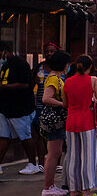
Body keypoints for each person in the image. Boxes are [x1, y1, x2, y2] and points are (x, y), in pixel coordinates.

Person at [63, 55, 97, 196]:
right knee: (88, 157)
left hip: (71, 122)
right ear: (90, 67)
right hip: (87, 122)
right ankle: (87, 191)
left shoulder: (67, 81)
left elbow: (65, 104)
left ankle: (73, 191)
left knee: (73, 157)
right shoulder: (93, 80)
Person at [0, 44, 38, 175]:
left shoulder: (20, 64)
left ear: (6, 51)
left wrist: (4, 87)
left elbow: (24, 84)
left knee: (25, 136)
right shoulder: (5, 65)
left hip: (19, 108)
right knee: (3, 136)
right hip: (5, 108)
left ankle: (33, 163)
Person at [39, 51, 71, 196]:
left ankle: (50, 185)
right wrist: (62, 104)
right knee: (53, 154)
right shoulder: (53, 79)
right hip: (54, 120)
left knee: (55, 153)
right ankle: (48, 187)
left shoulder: (57, 78)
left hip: (55, 120)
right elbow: (46, 98)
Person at [29, 41, 62, 175]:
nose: (49, 54)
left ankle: (57, 163)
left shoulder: (63, 68)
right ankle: (41, 163)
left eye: (52, 51)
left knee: (56, 137)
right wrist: (34, 81)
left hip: (57, 107)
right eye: (47, 51)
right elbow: (30, 85)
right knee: (41, 136)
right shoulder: (40, 67)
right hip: (40, 106)